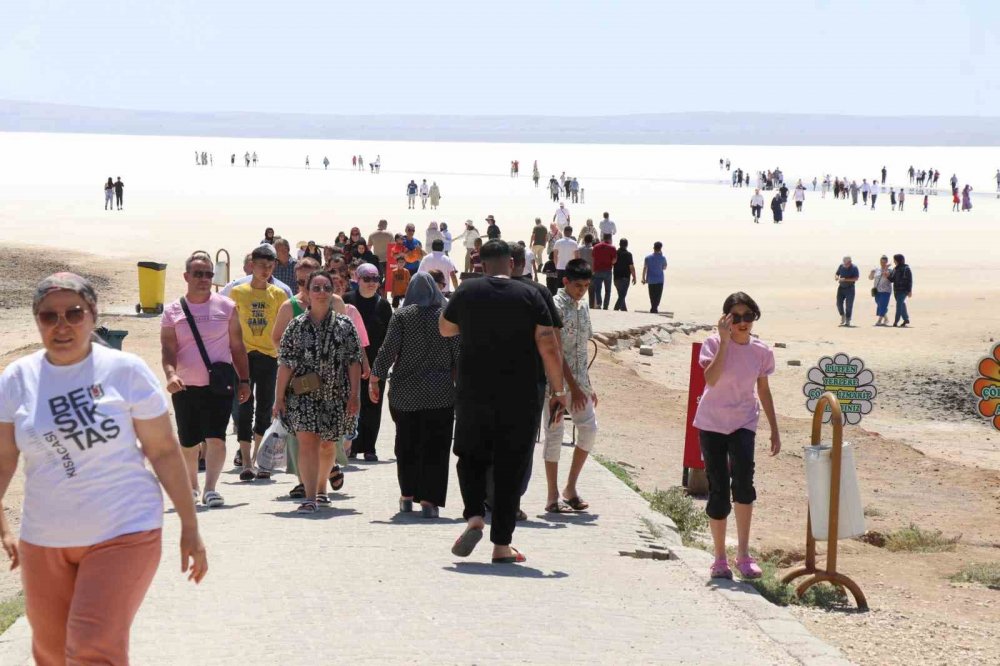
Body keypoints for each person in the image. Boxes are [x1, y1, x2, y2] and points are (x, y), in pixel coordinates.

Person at [0, 273, 208, 664]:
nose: (62, 325)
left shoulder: (125, 371)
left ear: (93, 315)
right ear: (37, 321)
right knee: (51, 653)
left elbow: (163, 452)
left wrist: (190, 526)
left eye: (74, 313)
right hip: (45, 537)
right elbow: (3, 458)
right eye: (49, 316)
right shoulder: (17, 378)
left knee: (92, 645)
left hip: (123, 530)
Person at [439, 240, 567, 565]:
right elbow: (548, 346)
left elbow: (445, 329)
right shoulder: (531, 295)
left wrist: (474, 324)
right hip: (520, 398)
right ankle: (501, 546)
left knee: (470, 457)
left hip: (473, 393)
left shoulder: (467, 292)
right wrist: (558, 391)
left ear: (481, 265)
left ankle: (474, 516)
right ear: (511, 263)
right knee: (511, 466)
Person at [694, 292, 780, 580]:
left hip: (744, 420)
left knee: (743, 482)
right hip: (712, 422)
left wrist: (774, 429)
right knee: (718, 487)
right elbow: (710, 379)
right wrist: (724, 342)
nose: (743, 322)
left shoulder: (761, 351)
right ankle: (719, 558)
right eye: (736, 317)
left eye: (748, 316)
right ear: (726, 319)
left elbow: (763, 390)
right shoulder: (713, 344)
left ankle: (743, 554)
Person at [161, 252, 251, 507]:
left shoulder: (227, 307)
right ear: (186, 276)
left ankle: (210, 488)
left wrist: (245, 381)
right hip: (185, 385)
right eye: (198, 274)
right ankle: (192, 486)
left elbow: (238, 347)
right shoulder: (172, 311)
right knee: (188, 441)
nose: (204, 279)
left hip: (219, 384)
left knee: (216, 437)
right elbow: (168, 348)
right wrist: (170, 374)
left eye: (208, 274)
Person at [370, 273, 459, 518]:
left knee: (406, 444)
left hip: (405, 394)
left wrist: (375, 379)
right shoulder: (446, 316)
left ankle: (407, 496)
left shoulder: (402, 316)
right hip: (440, 393)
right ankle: (429, 501)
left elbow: (388, 350)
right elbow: (459, 354)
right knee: (436, 447)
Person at [275, 270, 362, 514]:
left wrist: (355, 395)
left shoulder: (345, 325)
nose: (322, 292)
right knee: (307, 443)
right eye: (316, 288)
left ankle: (322, 488)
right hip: (302, 395)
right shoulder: (296, 326)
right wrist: (278, 398)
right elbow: (285, 363)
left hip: (336, 394)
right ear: (307, 292)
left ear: (333, 292)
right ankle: (310, 496)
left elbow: (354, 361)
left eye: (326, 288)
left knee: (327, 445)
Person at [541, 258, 599, 515]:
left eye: (586, 286)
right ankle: (552, 495)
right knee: (554, 434)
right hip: (555, 385)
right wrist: (571, 388)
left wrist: (587, 385)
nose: (582, 291)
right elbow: (556, 349)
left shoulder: (584, 306)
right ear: (565, 282)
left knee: (589, 429)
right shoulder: (554, 306)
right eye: (578, 286)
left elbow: (582, 349)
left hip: (580, 383)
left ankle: (570, 488)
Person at [229, 245, 289, 480]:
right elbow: (230, 326)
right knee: (244, 407)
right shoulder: (238, 292)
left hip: (269, 356)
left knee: (265, 408)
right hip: (243, 357)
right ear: (251, 265)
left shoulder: (279, 294)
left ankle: (258, 458)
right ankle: (245, 461)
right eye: (262, 265)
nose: (266, 270)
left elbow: (284, 328)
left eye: (270, 266)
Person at [270, 257, 325, 498]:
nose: (304, 286)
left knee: (326, 435)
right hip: (300, 381)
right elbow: (276, 339)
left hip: (329, 381)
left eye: (309, 281)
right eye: (300, 281)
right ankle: (305, 481)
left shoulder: (333, 303)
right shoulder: (289, 307)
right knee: (301, 435)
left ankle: (325, 474)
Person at [344, 264, 393, 463]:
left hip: (376, 362)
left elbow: (390, 335)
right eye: (367, 279)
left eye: (375, 279)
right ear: (357, 279)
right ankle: (352, 445)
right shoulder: (347, 300)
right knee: (352, 402)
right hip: (350, 362)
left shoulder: (383, 305)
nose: (372, 283)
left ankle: (370, 447)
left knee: (373, 404)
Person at [591, 233, 617, 310]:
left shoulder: (596, 247)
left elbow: (593, 258)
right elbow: (614, 260)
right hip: (607, 270)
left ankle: (599, 303)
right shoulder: (612, 247)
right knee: (607, 290)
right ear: (610, 239)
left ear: (603, 238)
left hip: (597, 270)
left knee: (598, 289)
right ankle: (606, 306)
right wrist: (610, 262)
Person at [642, 242, 668, 314]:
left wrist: (643, 278)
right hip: (660, 280)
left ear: (653, 248)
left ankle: (653, 309)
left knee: (652, 296)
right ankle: (654, 309)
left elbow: (645, 268)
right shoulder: (663, 258)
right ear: (660, 248)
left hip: (651, 280)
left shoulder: (647, 258)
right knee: (658, 296)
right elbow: (664, 267)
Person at [835, 256, 859, 327]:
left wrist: (845, 279)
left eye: (846, 263)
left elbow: (856, 278)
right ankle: (843, 315)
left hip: (850, 288)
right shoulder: (841, 266)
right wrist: (836, 277)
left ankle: (848, 319)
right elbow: (837, 273)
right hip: (841, 288)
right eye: (844, 263)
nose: (845, 265)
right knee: (838, 303)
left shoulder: (854, 268)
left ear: (850, 262)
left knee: (849, 305)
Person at [613, 238, 636, 311]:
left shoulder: (615, 253)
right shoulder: (628, 254)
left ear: (619, 244)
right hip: (625, 278)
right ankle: (615, 309)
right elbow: (631, 267)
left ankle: (624, 310)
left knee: (621, 295)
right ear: (627, 245)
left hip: (616, 277)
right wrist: (634, 277)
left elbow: (612, 263)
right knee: (622, 295)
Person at [889, 254, 912, 327]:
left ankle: (896, 322)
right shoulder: (895, 269)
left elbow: (910, 280)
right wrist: (887, 276)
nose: (894, 261)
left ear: (898, 260)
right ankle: (906, 319)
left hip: (903, 291)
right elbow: (892, 279)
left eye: (895, 260)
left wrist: (909, 291)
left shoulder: (906, 269)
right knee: (901, 304)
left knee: (899, 305)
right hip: (896, 290)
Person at [869, 255, 893, 327]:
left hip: (886, 290)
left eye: (884, 262)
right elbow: (870, 278)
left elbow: (886, 275)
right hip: (877, 290)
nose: (883, 263)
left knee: (883, 304)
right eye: (881, 262)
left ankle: (879, 320)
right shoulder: (877, 269)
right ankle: (886, 318)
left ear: (887, 262)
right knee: (879, 305)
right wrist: (871, 273)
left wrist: (885, 269)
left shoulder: (890, 270)